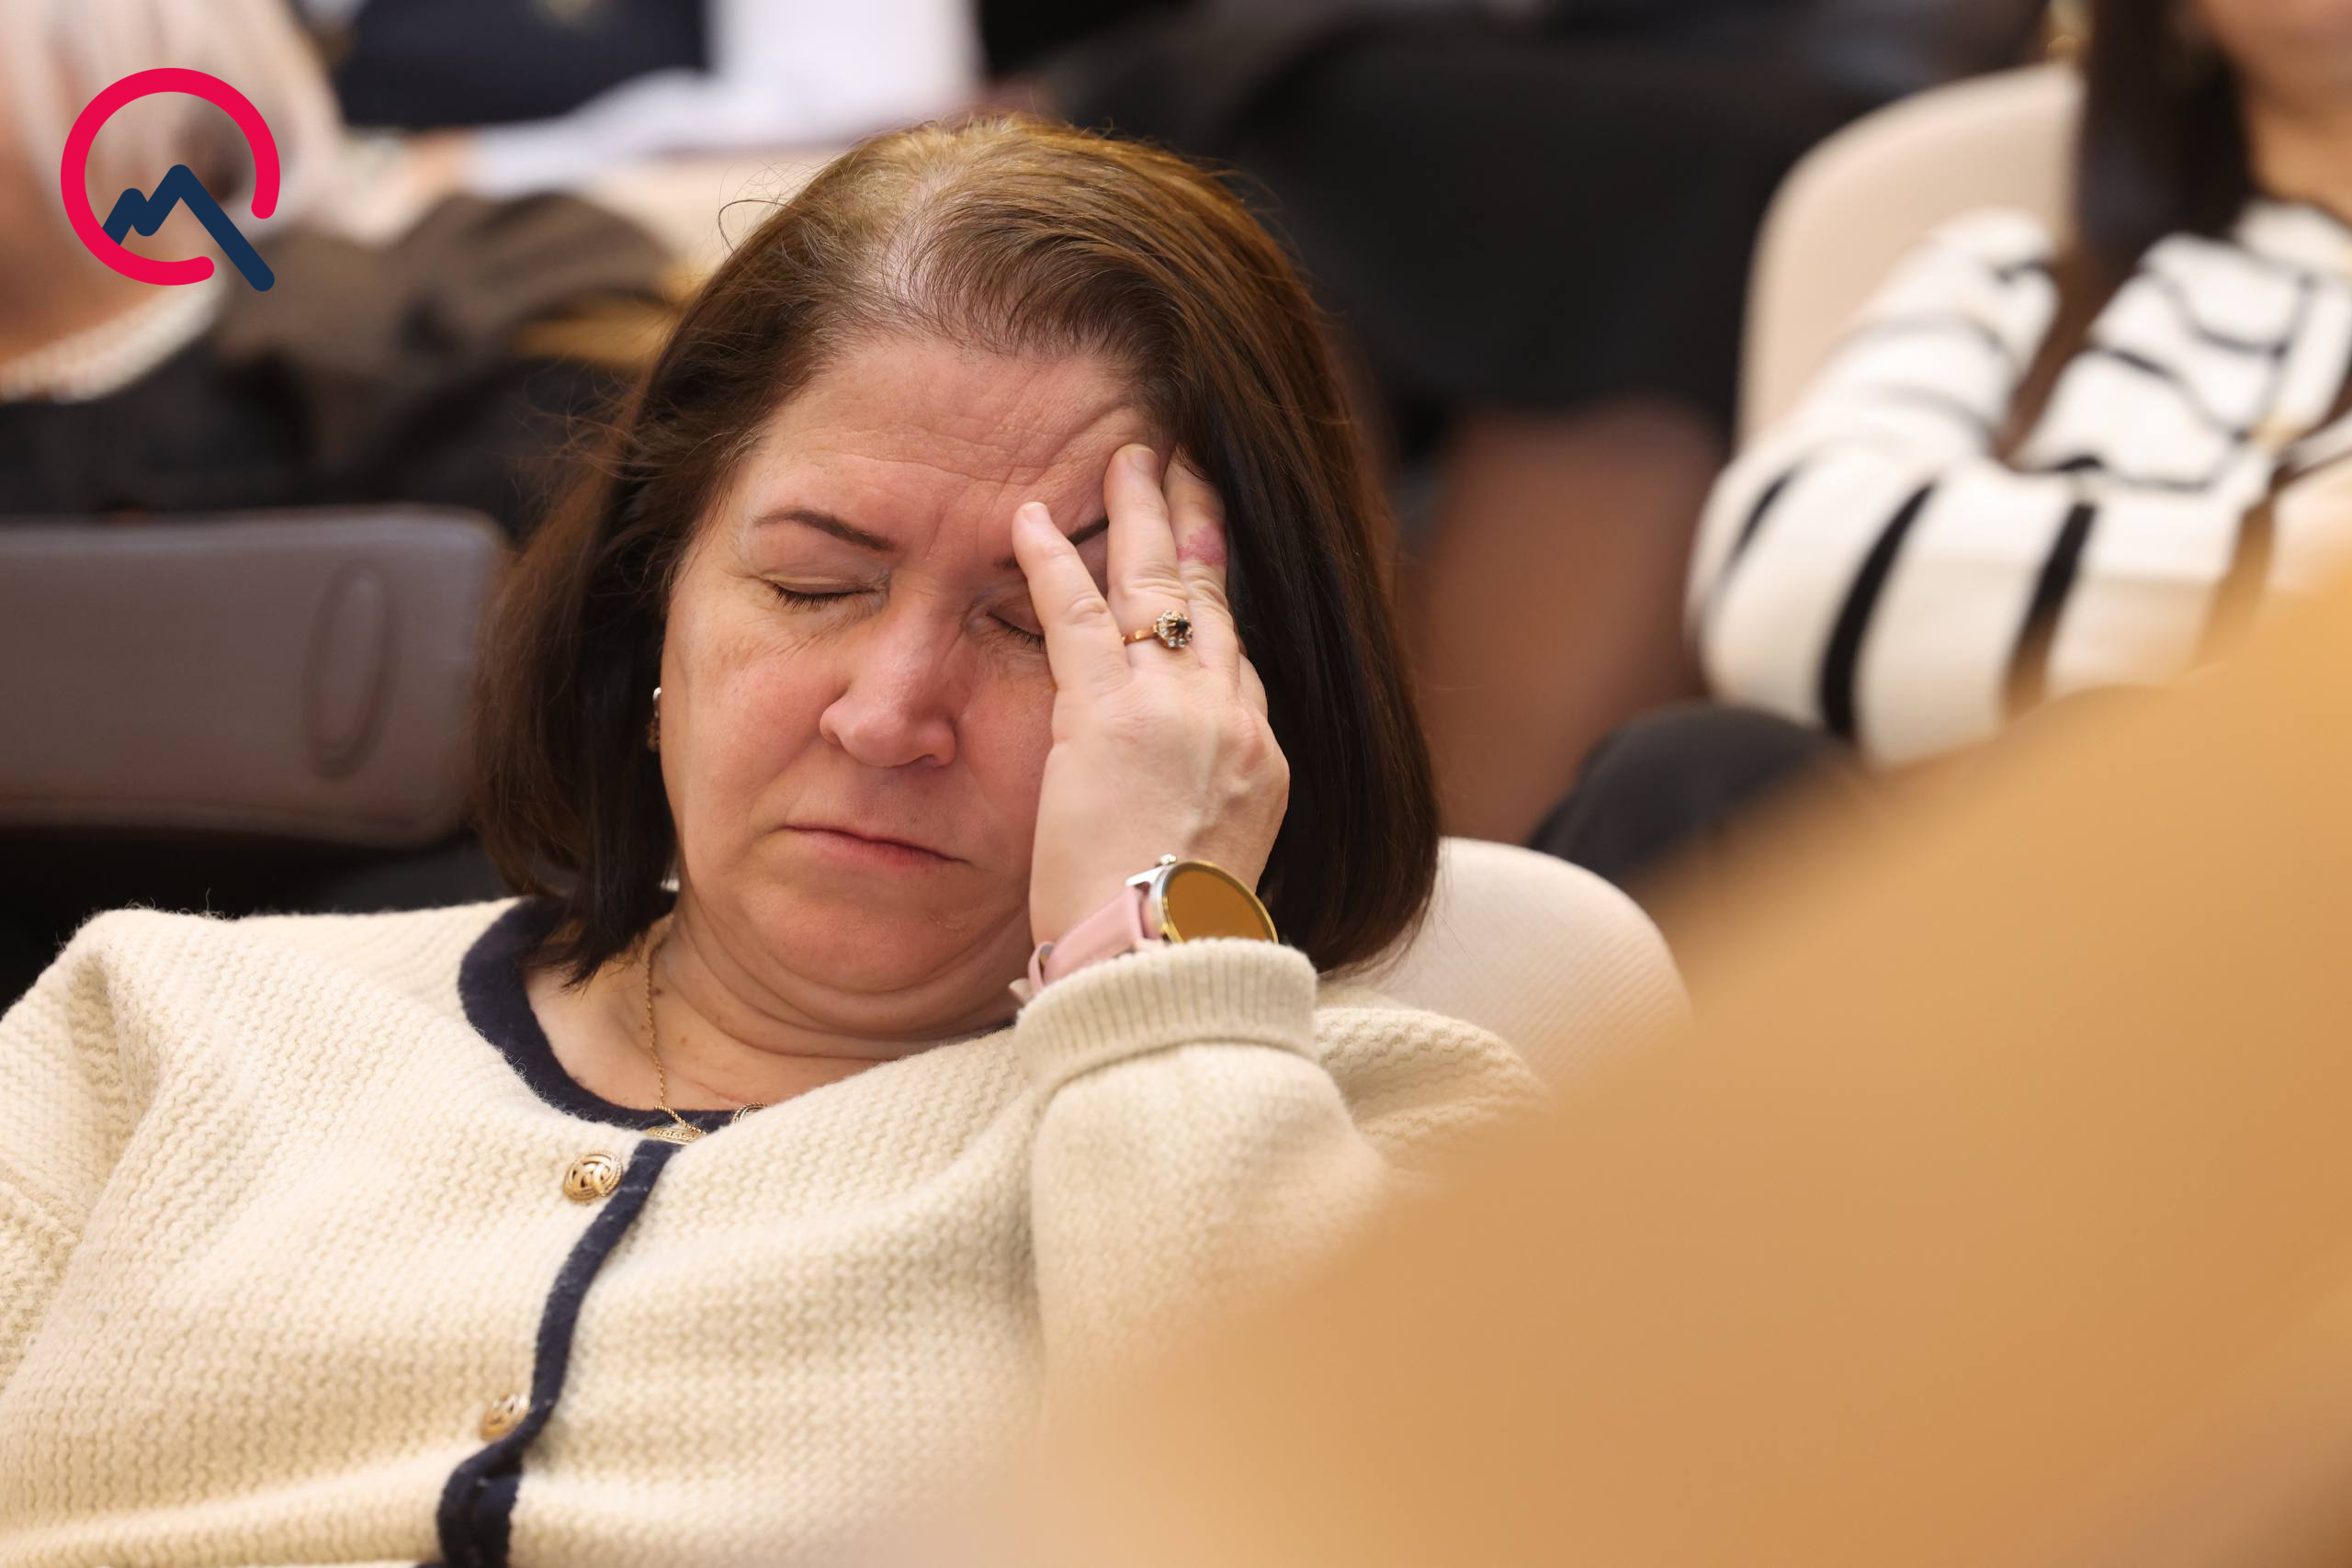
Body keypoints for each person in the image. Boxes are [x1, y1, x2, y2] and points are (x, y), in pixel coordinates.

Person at [0, 115, 1552, 1565]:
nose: (889, 713)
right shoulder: (155, 1025)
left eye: (1040, 628)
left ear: (1230, 700)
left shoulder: (1391, 1140)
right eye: (814, 585)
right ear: (649, 606)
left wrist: (1156, 934)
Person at [1540, 0, 2352, 908]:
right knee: (1690, 771)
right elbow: (1777, 583)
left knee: (2108, 759)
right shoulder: (2016, 279)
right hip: (1942, 887)